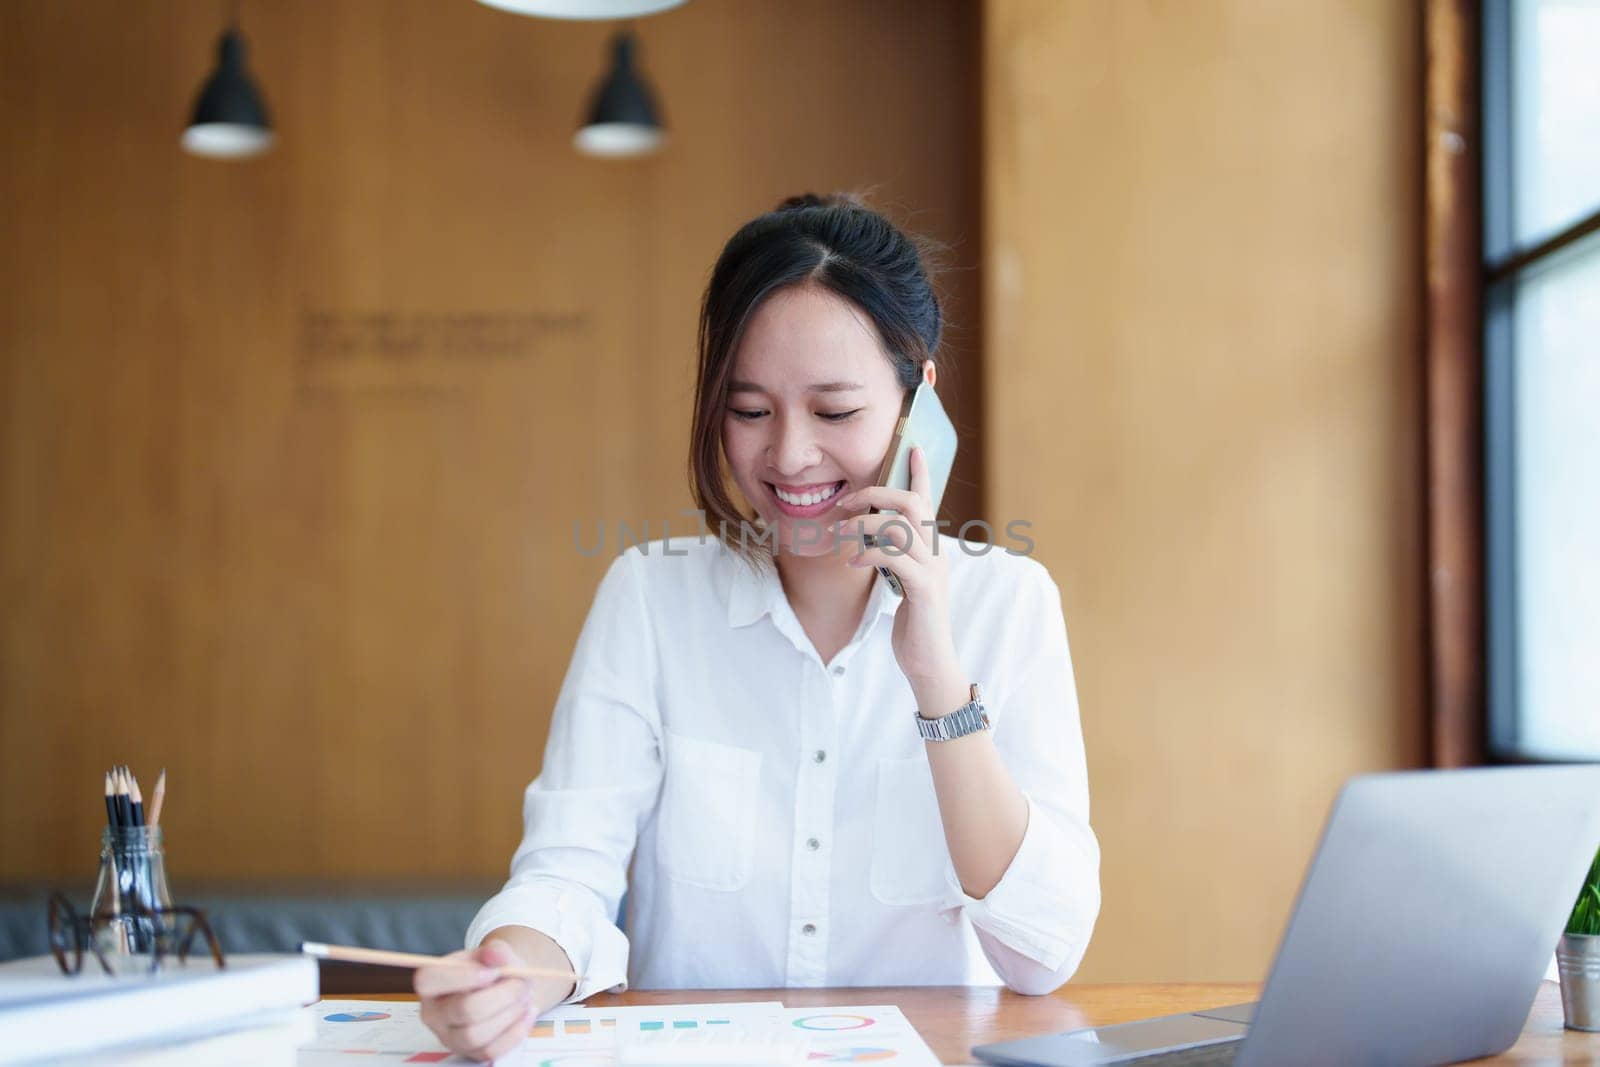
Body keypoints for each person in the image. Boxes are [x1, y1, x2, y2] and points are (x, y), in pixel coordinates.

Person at [415, 193, 1100, 1062]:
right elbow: (565, 877)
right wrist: (506, 976)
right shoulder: (650, 600)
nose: (788, 455)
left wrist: (936, 678)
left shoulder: (1010, 606)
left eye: (835, 411)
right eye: (749, 410)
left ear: (917, 397)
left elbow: (1042, 954)